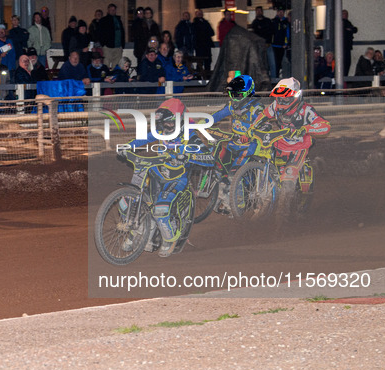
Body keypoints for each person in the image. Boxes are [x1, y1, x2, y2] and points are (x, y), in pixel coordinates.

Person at [119, 98, 193, 257]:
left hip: (177, 178)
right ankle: (139, 230)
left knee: (160, 209)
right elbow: (144, 138)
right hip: (159, 172)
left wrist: (187, 156)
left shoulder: (190, 132)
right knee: (125, 202)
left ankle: (170, 238)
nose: (165, 128)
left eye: (169, 124)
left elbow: (204, 154)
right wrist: (128, 145)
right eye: (163, 124)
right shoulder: (160, 131)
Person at [251, 77, 330, 209]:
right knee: (261, 157)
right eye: (279, 98)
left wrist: (306, 128)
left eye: (285, 98)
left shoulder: (306, 110)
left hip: (299, 147)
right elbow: (262, 116)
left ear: (295, 96)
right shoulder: (275, 106)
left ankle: (283, 216)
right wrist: (251, 129)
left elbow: (325, 126)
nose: (281, 101)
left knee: (288, 179)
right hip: (280, 144)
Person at [209, 75, 265, 211]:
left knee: (235, 173)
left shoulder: (257, 109)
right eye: (231, 94)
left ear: (248, 93)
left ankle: (238, 206)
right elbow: (217, 116)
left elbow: (265, 127)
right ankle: (223, 196)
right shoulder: (232, 106)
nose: (234, 98)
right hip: (233, 144)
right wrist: (200, 123)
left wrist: (250, 134)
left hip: (251, 146)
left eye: (237, 95)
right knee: (217, 167)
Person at [98, 3, 126, 69]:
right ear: (108, 10)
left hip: (118, 47)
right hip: (108, 47)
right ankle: (106, 78)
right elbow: (100, 33)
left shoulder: (119, 20)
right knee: (106, 64)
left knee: (117, 65)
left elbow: (122, 32)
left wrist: (122, 44)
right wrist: (103, 44)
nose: (113, 11)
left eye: (114, 10)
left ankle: (115, 78)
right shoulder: (103, 20)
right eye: (111, 10)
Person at [271, 8, 289, 78]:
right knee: (275, 62)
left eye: (282, 12)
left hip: (282, 46)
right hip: (274, 45)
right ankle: (275, 76)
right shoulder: (274, 21)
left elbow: (287, 33)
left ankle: (280, 76)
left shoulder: (286, 22)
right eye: (279, 12)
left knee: (281, 62)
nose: (281, 14)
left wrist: (285, 43)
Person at [342, 10, 358, 76]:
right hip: (343, 47)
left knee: (347, 63)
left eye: (346, 14)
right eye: (344, 14)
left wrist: (350, 29)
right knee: (345, 63)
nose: (346, 15)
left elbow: (355, 29)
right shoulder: (342, 22)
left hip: (347, 46)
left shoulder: (348, 22)